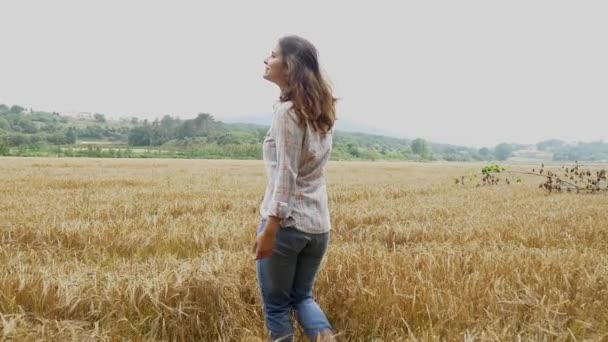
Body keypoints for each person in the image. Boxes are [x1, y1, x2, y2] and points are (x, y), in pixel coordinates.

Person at [252, 35, 337, 342]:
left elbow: (286, 176)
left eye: (272, 54)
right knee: (303, 297)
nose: (266, 59)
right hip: (318, 226)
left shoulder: (287, 113)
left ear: (288, 66)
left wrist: (271, 228)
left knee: (276, 307)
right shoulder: (321, 111)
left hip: (287, 225)